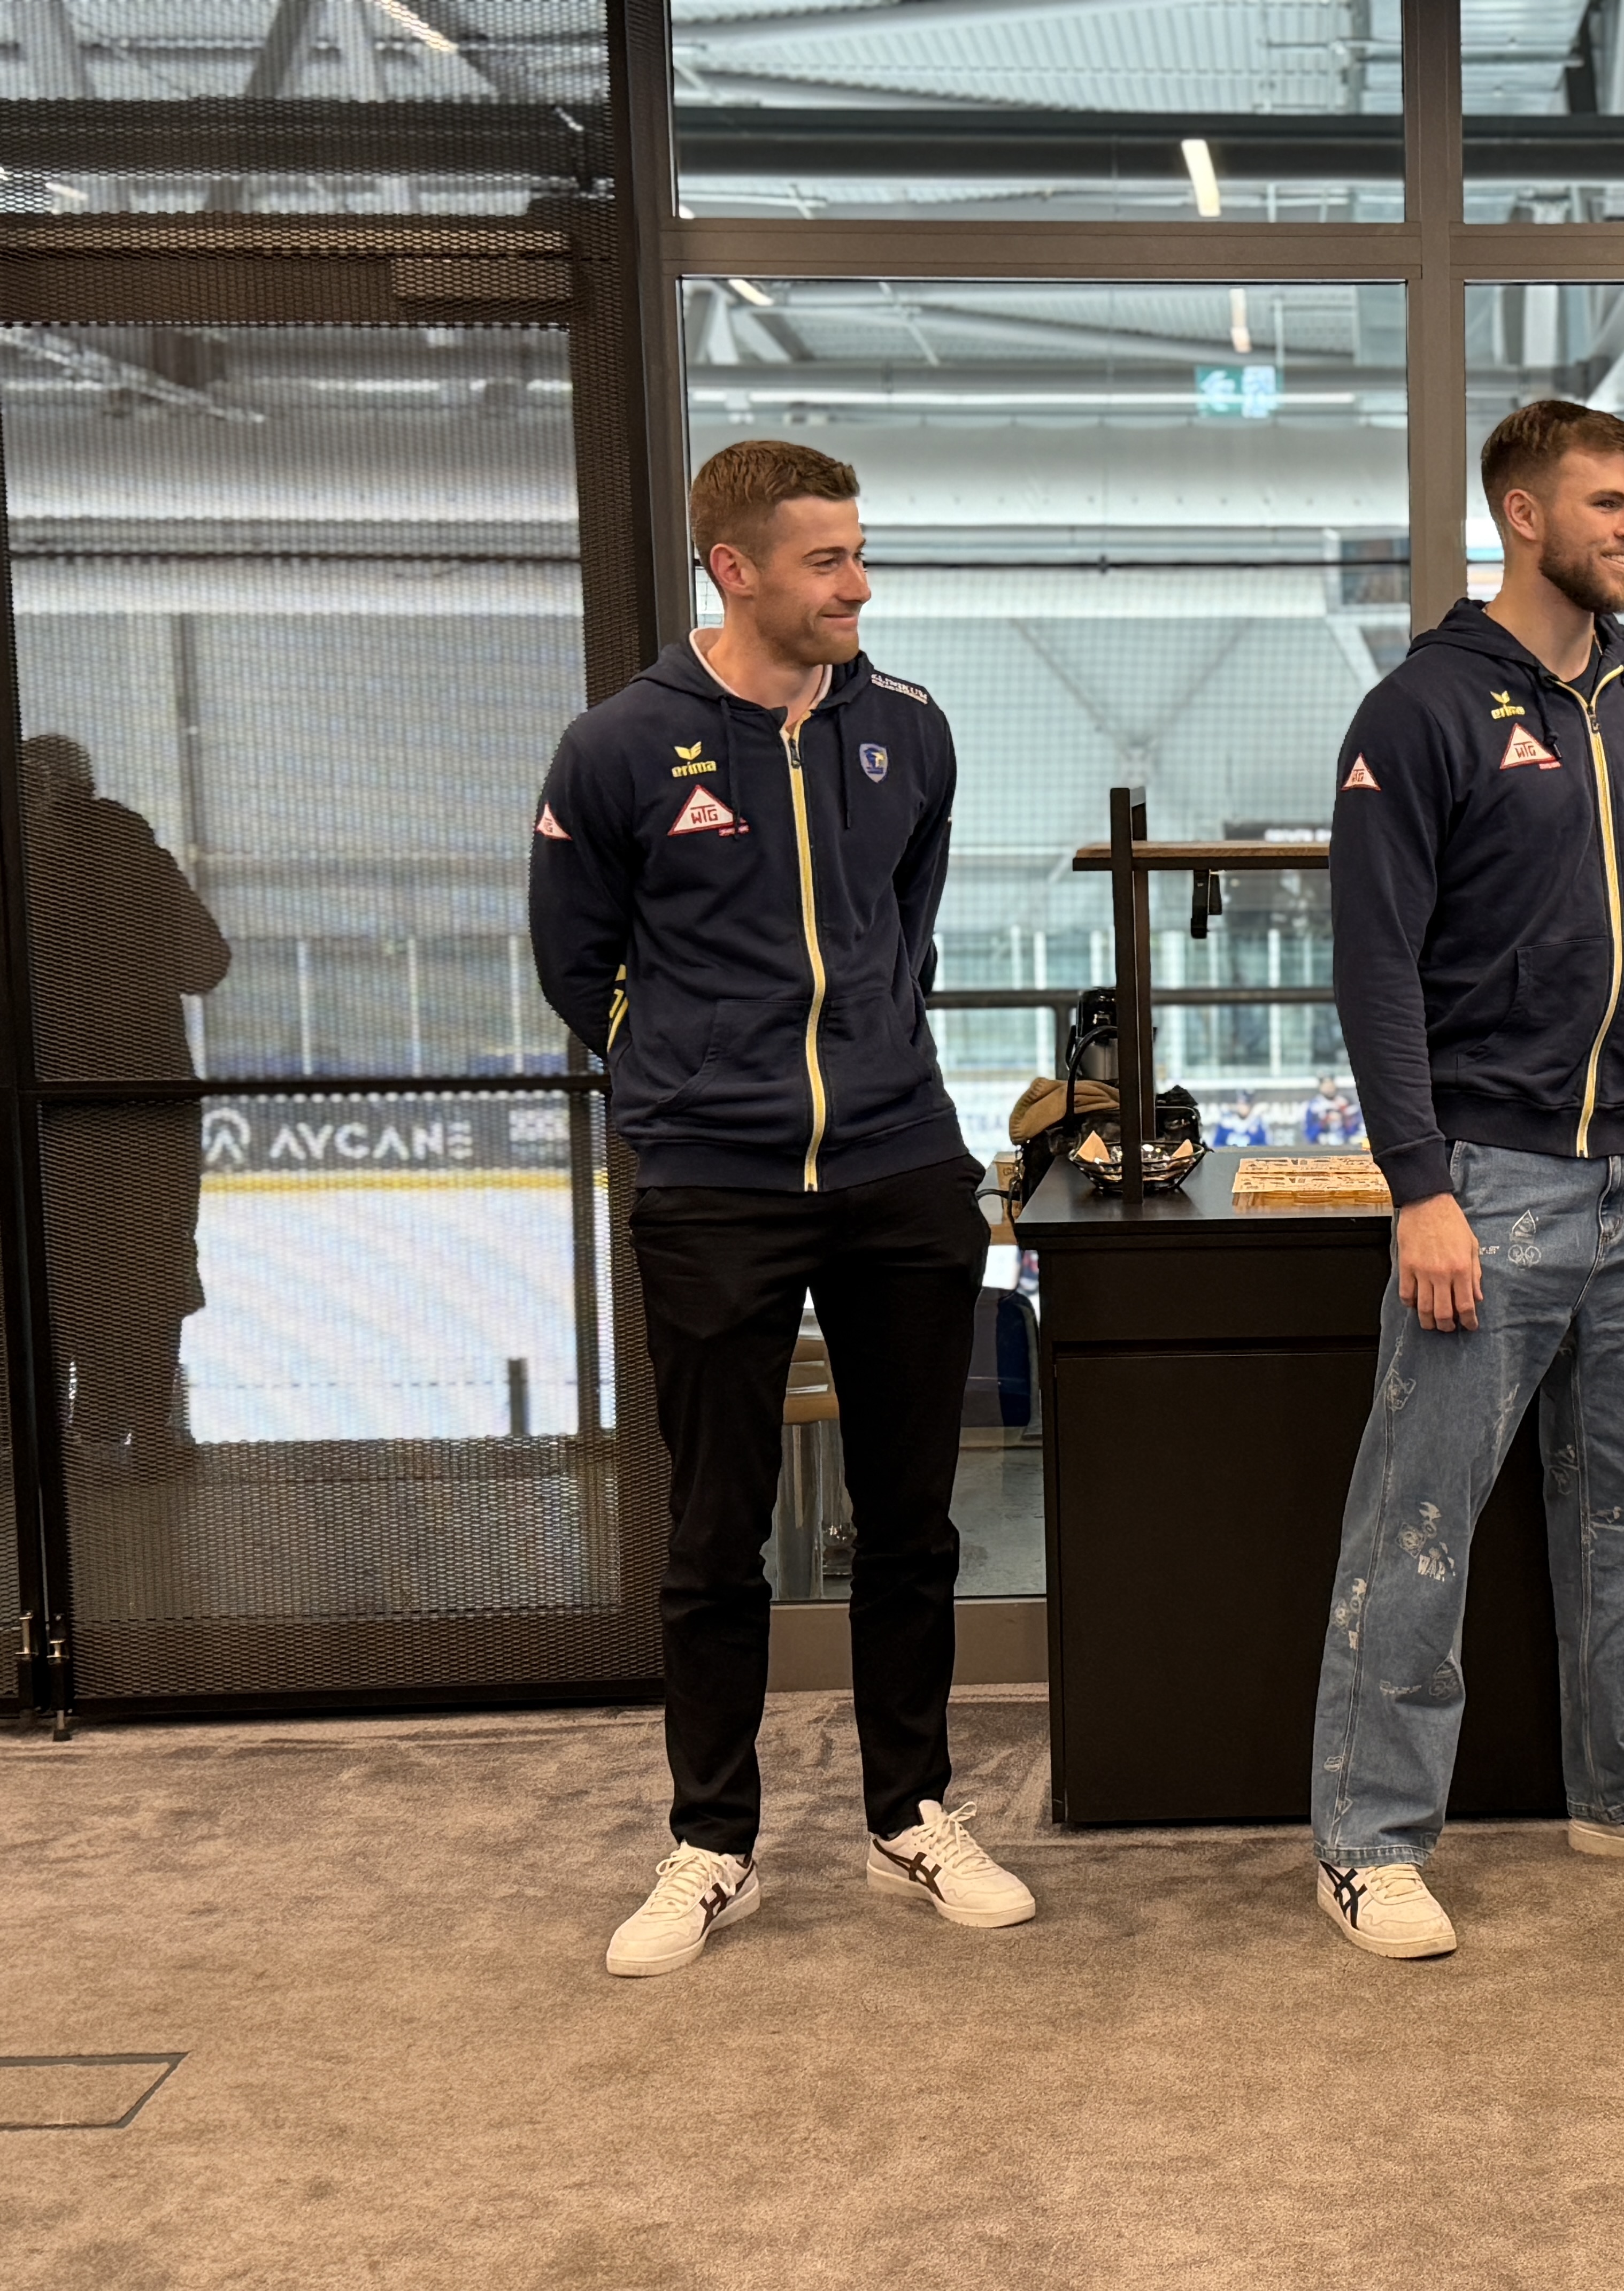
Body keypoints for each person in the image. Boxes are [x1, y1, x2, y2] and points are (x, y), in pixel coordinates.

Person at [532, 438, 1036, 1978]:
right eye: (829, 560)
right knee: (714, 1534)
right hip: (714, 1183)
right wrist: (687, 1073)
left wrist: (876, 1048)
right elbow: (576, 961)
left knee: (913, 1522)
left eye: (861, 552)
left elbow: (906, 919)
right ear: (734, 568)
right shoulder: (622, 745)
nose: (859, 584)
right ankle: (712, 1841)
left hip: (900, 1165)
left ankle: (911, 1814)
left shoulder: (909, 729)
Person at [1309, 398, 1624, 1959]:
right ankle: (1367, 1840)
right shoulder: (1421, 710)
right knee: (1418, 1520)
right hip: (1490, 1180)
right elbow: (1376, 966)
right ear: (1524, 514)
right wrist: (1418, 1184)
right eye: (1608, 502)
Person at [21, 734, 231, 1478]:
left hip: (47, 1104)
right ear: (89, 786)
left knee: (56, 1255)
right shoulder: (137, 858)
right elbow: (206, 964)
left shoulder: (20, 871)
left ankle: (66, 1427)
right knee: (151, 1253)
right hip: (150, 1100)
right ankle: (148, 1427)